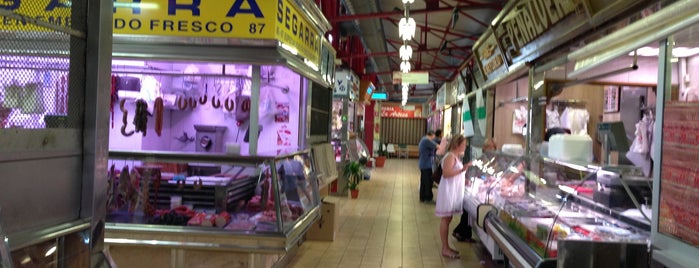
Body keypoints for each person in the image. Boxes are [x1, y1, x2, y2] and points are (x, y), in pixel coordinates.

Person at [452, 138, 497, 242]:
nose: (490, 149)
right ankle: (461, 232)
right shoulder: (482, 159)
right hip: (477, 187)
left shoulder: (495, 159)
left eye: (492, 147)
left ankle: (461, 232)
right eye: (488, 147)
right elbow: (476, 170)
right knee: (468, 211)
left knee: (467, 211)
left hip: (483, 187)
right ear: (484, 148)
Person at [435, 135, 470, 259]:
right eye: (464, 144)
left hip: (452, 190)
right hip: (448, 191)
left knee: (448, 219)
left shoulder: (455, 157)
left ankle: (446, 247)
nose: (465, 146)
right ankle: (445, 248)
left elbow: (453, 173)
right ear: (457, 145)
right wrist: (462, 170)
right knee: (445, 219)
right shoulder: (450, 156)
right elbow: (446, 173)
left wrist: (464, 180)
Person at [418, 130, 437, 202]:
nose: (434, 138)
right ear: (431, 135)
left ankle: (422, 197)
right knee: (427, 182)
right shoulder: (426, 140)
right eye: (433, 136)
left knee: (424, 182)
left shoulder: (423, 140)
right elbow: (438, 146)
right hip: (426, 165)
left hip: (424, 164)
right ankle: (427, 198)